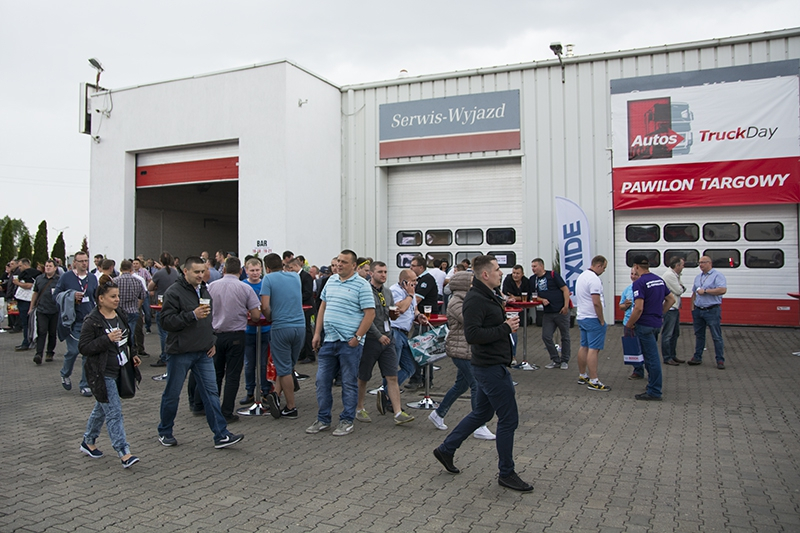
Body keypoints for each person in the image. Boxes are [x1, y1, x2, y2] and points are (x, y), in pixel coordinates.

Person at [432, 255, 532, 492]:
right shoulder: (475, 299)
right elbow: (473, 335)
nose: (501, 273)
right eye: (497, 270)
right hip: (489, 367)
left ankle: (446, 449)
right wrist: (505, 328)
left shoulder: (489, 294)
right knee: (509, 419)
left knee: (482, 413)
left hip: (492, 365)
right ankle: (506, 473)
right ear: (485, 274)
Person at [157, 256, 244, 449]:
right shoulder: (174, 292)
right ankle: (165, 431)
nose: (200, 275)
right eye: (196, 272)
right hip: (180, 351)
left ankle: (221, 434)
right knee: (172, 393)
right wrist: (191, 315)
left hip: (203, 352)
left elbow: (209, 320)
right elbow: (166, 322)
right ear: (185, 271)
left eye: (202, 271)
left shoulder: (205, 289)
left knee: (211, 393)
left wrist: (211, 340)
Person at [307, 250, 375, 437]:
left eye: (344, 262)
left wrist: (358, 337)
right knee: (322, 381)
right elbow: (323, 307)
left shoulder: (362, 285)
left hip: (349, 343)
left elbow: (370, 313)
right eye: (338, 261)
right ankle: (323, 419)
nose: (339, 264)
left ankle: (347, 420)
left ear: (354, 265)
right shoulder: (331, 281)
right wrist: (317, 333)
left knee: (348, 382)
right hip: (329, 340)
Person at [78, 274, 141, 468]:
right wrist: (107, 339)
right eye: (113, 296)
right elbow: (84, 347)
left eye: (118, 296)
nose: (117, 300)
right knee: (114, 411)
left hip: (120, 369)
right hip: (102, 372)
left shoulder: (120, 314)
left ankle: (88, 441)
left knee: (102, 407)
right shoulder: (92, 321)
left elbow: (128, 338)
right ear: (101, 299)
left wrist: (133, 354)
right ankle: (124, 452)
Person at [428, 270, 495, 440]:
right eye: (472, 282)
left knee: (461, 386)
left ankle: (438, 413)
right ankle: (479, 424)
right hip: (460, 350)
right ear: (464, 284)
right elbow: (471, 320)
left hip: (467, 349)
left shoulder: (469, 299)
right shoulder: (456, 301)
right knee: (476, 385)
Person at [355, 261, 415, 425]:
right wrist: (378, 335)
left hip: (388, 338)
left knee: (392, 376)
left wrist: (394, 315)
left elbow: (389, 313)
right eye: (380, 272)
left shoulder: (387, 292)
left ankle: (398, 412)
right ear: (371, 273)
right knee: (364, 376)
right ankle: (359, 408)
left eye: (385, 272)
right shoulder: (365, 291)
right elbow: (366, 317)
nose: (383, 275)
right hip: (371, 339)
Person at [202, 256, 261, 422]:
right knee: (233, 375)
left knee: (215, 374)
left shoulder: (212, 286)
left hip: (215, 335)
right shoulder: (245, 288)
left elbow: (204, 309)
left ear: (224, 269)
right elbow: (256, 316)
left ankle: (212, 409)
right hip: (236, 335)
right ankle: (227, 411)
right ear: (241, 271)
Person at [260, 253, 306, 420]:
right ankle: (276, 395)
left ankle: (291, 407)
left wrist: (270, 317)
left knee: (284, 369)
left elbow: (265, 306)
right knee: (287, 366)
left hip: (281, 326)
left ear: (267, 268)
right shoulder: (295, 277)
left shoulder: (268, 279)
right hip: (300, 326)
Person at [625, 255, 675, 401]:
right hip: (656, 323)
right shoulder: (658, 280)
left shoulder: (639, 283)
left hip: (644, 324)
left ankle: (654, 390)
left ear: (636, 266)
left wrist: (629, 324)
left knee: (651, 358)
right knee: (650, 356)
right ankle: (652, 385)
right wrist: (660, 313)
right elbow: (671, 299)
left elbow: (638, 308)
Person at [54, 251, 99, 397]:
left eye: (86, 260)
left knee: (87, 353)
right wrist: (71, 296)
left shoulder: (92, 278)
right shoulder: (66, 277)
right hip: (73, 321)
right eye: (81, 261)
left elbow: (95, 297)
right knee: (73, 351)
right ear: (75, 263)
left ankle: (85, 384)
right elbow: (56, 296)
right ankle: (65, 373)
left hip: (89, 321)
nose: (84, 263)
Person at [239, 257, 273, 406]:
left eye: (257, 270)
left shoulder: (266, 284)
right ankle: (250, 391)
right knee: (249, 363)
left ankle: (265, 390)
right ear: (246, 271)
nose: (255, 273)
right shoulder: (242, 285)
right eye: (252, 270)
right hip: (248, 330)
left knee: (264, 363)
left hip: (265, 329)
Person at [575, 255, 610, 391]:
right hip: (592, 317)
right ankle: (594, 380)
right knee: (593, 349)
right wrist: (601, 319)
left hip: (582, 316)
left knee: (584, 346)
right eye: (604, 268)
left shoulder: (582, 276)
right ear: (598, 265)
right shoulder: (594, 279)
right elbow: (596, 302)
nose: (604, 271)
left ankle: (583, 374)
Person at [529, 258, 572, 370]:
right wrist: (542, 300)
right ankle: (555, 359)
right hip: (548, 312)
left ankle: (565, 360)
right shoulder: (533, 279)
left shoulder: (552, 275)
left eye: (535, 266)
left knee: (565, 336)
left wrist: (566, 306)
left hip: (560, 310)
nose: (533, 269)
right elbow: (533, 296)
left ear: (541, 266)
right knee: (546, 336)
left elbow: (565, 289)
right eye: (532, 266)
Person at [689, 255, 728, 369]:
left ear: (709, 263)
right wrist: (692, 308)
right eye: (699, 263)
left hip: (712, 310)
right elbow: (694, 293)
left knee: (716, 336)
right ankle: (697, 357)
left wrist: (706, 291)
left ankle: (720, 360)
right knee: (699, 335)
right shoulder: (698, 277)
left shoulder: (717, 275)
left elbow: (722, 290)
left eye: (703, 262)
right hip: (698, 310)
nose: (700, 265)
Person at [148, 252, 180, 367]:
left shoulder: (159, 274)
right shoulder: (176, 273)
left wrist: (156, 286)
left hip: (162, 305)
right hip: (175, 305)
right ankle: (172, 354)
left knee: (163, 333)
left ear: (160, 261)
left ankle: (164, 357)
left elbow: (150, 287)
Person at [502, 264, 533, 369]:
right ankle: (512, 356)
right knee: (512, 332)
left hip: (523, 309)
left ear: (522, 274)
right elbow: (506, 295)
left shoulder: (526, 281)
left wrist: (516, 297)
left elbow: (528, 296)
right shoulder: (508, 280)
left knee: (521, 330)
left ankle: (521, 357)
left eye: (517, 273)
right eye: (513, 273)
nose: (515, 275)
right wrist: (516, 298)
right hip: (510, 310)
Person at [30, 259, 60, 364]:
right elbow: (35, 293)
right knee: (41, 331)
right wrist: (31, 307)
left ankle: (50, 352)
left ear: (55, 268)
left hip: (54, 310)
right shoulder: (39, 279)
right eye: (46, 266)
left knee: (52, 333)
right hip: (42, 310)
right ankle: (38, 354)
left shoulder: (59, 280)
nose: (48, 268)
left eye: (50, 266)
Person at [619, 267, 645, 380]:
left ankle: (649, 369)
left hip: (641, 322)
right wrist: (625, 305)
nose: (633, 276)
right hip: (628, 322)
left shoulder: (644, 289)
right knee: (633, 347)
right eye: (632, 274)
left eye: (636, 274)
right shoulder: (627, 289)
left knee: (645, 347)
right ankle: (637, 370)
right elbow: (621, 306)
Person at [661, 256, 687, 366]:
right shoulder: (669, 275)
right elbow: (679, 290)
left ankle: (672, 355)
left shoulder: (676, 275)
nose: (683, 267)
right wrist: (681, 288)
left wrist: (681, 287)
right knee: (668, 334)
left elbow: (682, 288)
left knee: (675, 333)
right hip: (670, 309)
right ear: (677, 265)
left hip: (675, 308)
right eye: (682, 265)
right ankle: (667, 357)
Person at [114, 260, 145, 350]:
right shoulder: (138, 281)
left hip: (119, 311)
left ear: (120, 269)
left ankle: (121, 350)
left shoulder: (115, 281)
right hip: (133, 310)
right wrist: (137, 307)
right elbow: (142, 296)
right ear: (131, 269)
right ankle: (130, 351)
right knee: (131, 333)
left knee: (120, 333)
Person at [12, 258, 40, 351]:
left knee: (26, 323)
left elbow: (29, 285)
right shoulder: (33, 273)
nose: (19, 268)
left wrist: (18, 283)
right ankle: (28, 341)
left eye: (20, 266)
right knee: (27, 323)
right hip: (24, 300)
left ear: (25, 265)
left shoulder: (28, 273)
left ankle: (27, 342)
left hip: (26, 300)